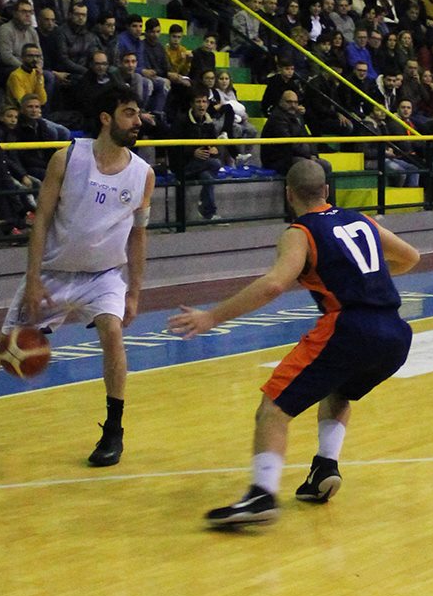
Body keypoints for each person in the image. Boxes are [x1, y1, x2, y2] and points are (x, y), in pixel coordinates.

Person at [168, 160, 419, 526]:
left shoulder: (299, 231)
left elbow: (273, 284)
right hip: (395, 334)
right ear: (327, 191)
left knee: (273, 406)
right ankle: (324, 468)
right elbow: (411, 257)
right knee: (339, 391)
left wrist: (212, 316)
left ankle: (262, 494)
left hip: (349, 327)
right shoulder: (362, 220)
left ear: (288, 194)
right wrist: (367, 277)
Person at [0, 85, 155, 466]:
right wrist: (33, 279)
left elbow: (139, 235)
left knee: (112, 333)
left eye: (137, 113)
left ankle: (114, 431)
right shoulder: (67, 158)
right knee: (1, 347)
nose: (138, 121)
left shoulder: (143, 174)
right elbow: (42, 219)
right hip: (53, 272)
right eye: (129, 113)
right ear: (106, 118)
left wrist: (134, 292)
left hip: (104, 276)